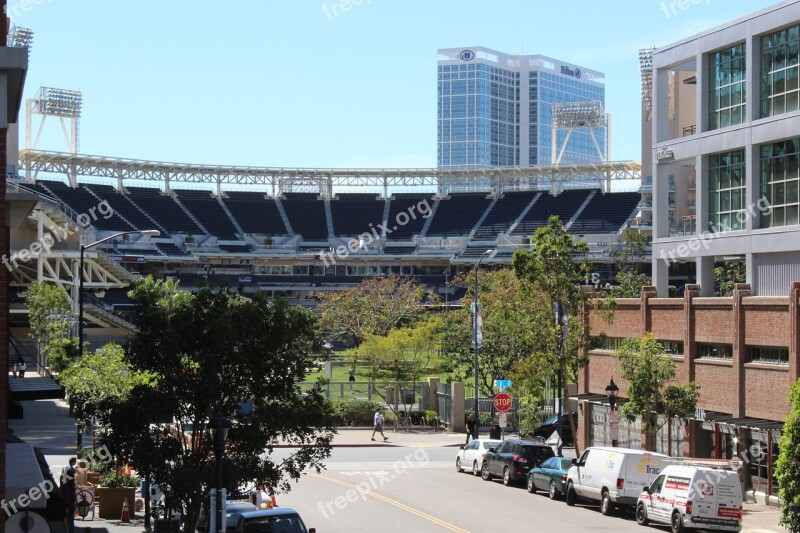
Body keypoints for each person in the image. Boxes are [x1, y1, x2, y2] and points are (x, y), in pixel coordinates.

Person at [61, 457, 77, 533]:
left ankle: (64, 529)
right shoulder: (72, 470)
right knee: (71, 516)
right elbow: (73, 483)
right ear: (73, 462)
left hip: (64, 494)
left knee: (63, 514)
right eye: (75, 461)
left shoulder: (64, 468)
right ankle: (70, 530)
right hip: (70, 495)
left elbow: (62, 479)